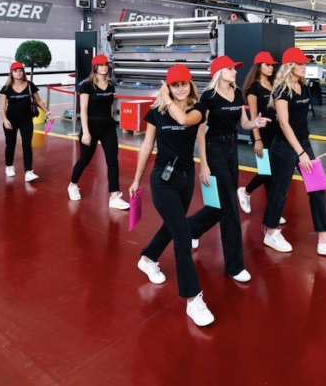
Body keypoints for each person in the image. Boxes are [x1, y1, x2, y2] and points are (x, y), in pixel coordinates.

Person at [129, 65, 212, 327]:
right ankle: (192, 298)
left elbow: (196, 133)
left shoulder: (198, 109)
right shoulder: (157, 112)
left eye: (183, 83)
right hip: (162, 180)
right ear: (168, 87)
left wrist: (205, 165)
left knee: (174, 226)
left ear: (190, 85)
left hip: (186, 178)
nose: (180, 88)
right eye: (174, 85)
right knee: (183, 235)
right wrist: (136, 179)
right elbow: (146, 145)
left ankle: (147, 258)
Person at [260, 47, 326, 258]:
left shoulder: (303, 87)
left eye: (304, 63)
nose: (304, 67)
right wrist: (301, 153)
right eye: (300, 64)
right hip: (285, 147)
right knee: (280, 191)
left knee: (317, 189)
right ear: (289, 66)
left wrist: (303, 148)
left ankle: (324, 239)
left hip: (303, 143)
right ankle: (270, 233)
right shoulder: (281, 90)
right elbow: (284, 124)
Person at [187, 55, 270, 283]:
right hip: (215, 149)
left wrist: (255, 123)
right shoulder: (208, 97)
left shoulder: (237, 93)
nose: (235, 72)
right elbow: (200, 132)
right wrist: (204, 164)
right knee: (231, 208)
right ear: (218, 73)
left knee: (220, 205)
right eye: (230, 69)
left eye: (235, 69)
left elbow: (243, 123)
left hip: (232, 148)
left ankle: (191, 228)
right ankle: (234, 265)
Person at [68, 54, 129, 209]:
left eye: (105, 65)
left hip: (108, 127)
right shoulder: (87, 86)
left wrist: (112, 121)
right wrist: (86, 132)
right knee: (85, 159)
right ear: (94, 67)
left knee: (112, 161)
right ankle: (73, 184)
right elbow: (83, 110)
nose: (103, 67)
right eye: (100, 65)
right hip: (91, 126)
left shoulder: (110, 85)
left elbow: (110, 107)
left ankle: (114, 196)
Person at [237, 51, 284, 221]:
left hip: (275, 133)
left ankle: (272, 212)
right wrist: (257, 139)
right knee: (266, 172)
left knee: (273, 174)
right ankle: (246, 191)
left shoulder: (274, 84)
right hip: (261, 134)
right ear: (258, 67)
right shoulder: (253, 89)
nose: (271, 68)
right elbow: (253, 116)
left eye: (272, 65)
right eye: (267, 65)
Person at [0, 61, 52, 182]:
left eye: (21, 71)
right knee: (10, 144)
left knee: (27, 144)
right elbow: (2, 107)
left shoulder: (29, 85)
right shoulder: (6, 88)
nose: (18, 73)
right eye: (15, 71)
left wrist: (48, 113)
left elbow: (38, 101)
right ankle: (9, 166)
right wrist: (5, 120)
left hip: (26, 120)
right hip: (11, 120)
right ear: (11, 73)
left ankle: (28, 171)